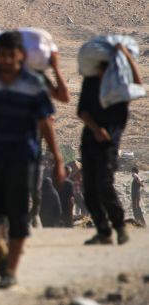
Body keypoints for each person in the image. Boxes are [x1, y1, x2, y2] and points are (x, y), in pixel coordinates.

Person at [0, 30, 64, 290]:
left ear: (21, 55)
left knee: (18, 215)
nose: (7, 60)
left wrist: (58, 158)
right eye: (3, 55)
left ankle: (10, 271)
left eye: (12, 55)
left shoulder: (34, 83)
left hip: (22, 159)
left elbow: (46, 124)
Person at [77, 42, 141, 245]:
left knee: (104, 186)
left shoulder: (120, 86)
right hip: (89, 142)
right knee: (89, 190)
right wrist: (95, 129)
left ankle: (119, 226)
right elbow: (82, 110)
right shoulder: (91, 83)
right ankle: (103, 231)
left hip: (109, 145)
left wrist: (126, 55)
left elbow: (138, 86)